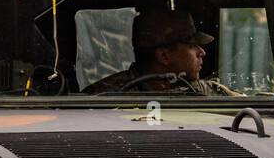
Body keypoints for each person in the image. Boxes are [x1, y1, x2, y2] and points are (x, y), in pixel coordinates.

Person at [83, 9, 238, 95]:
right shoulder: (106, 96)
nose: (202, 52)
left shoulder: (205, 91)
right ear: (164, 56)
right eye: (192, 46)